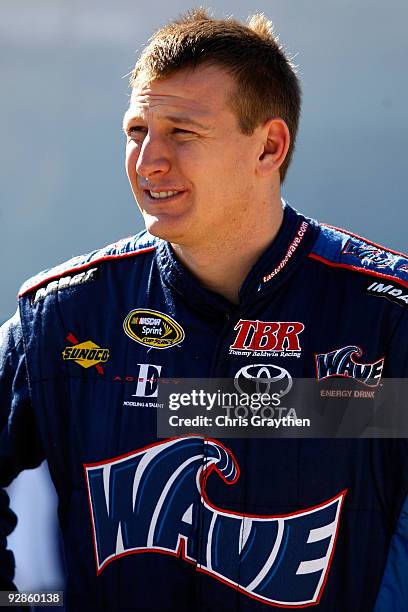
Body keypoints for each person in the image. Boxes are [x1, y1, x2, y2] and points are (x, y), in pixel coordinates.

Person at [1, 8, 408, 611]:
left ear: (269, 146)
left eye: (182, 133)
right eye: (137, 130)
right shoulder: (68, 314)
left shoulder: (386, 315)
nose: (148, 162)